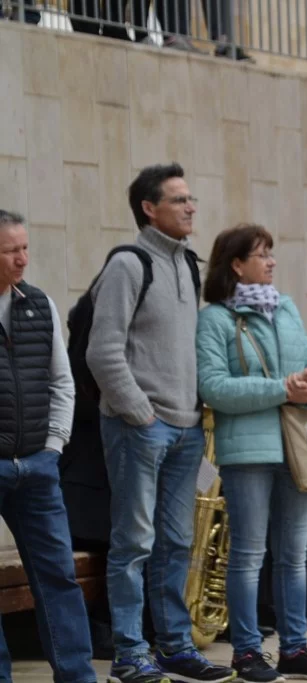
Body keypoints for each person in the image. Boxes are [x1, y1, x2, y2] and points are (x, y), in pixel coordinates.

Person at [87, 163, 235, 683]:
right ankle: (129, 654)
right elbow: (103, 352)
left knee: (175, 543)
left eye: (191, 198)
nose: (191, 207)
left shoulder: (187, 264)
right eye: (179, 200)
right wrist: (140, 412)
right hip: (140, 427)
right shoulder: (129, 264)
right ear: (149, 209)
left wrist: (193, 413)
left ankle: (172, 646)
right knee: (133, 544)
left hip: (185, 428)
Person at [195, 223, 307, 682]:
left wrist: (305, 391)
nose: (272, 262)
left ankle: (295, 648)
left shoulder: (287, 309)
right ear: (237, 264)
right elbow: (213, 387)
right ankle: (246, 653)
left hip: (295, 447)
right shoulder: (215, 319)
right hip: (247, 452)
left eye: (271, 253)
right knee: (247, 555)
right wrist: (281, 388)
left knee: (294, 555)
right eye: (261, 254)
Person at [0, 210, 97, 683]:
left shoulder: (39, 304)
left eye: (25, 247)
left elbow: (63, 382)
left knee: (59, 577)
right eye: (10, 250)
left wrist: (53, 446)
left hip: (37, 467)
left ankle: (77, 677)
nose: (22, 259)